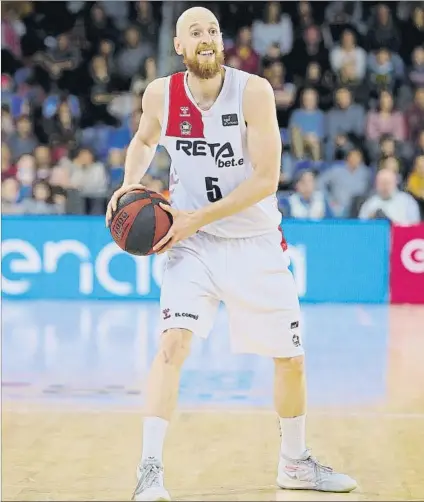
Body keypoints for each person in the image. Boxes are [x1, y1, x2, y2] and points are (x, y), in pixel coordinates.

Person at [105, 7, 357, 501]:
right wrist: (130, 182)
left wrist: (196, 216)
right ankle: (149, 470)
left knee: (291, 359)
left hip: (253, 242)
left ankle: (295, 462)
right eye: (195, 32)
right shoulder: (160, 93)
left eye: (213, 31)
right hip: (191, 245)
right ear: (179, 46)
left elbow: (266, 179)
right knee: (172, 345)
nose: (206, 38)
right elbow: (143, 139)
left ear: (222, 42)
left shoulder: (253, 91)